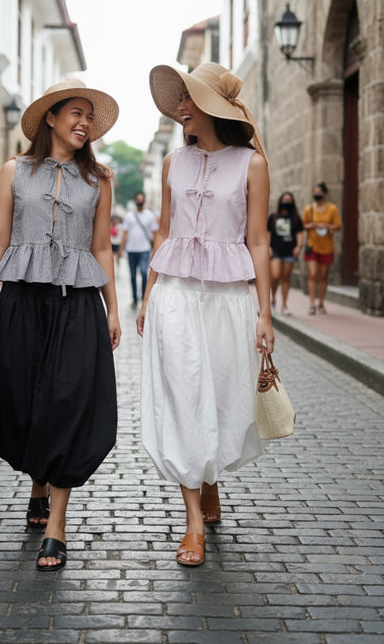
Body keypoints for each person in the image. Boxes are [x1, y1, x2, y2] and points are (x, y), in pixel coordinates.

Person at [0, 78, 121, 572]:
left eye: (89, 117)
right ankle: (36, 485)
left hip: (76, 304)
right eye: (75, 112)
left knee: (67, 399)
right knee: (22, 399)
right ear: (50, 118)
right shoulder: (15, 170)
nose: (84, 122)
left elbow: (100, 248)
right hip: (21, 302)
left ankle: (57, 523)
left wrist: (113, 307)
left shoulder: (100, 179)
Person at [136, 62, 274, 568]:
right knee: (184, 392)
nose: (180, 108)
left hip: (227, 296)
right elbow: (165, 232)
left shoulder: (251, 164)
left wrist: (265, 312)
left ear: (212, 106)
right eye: (179, 101)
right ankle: (193, 519)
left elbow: (257, 240)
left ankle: (208, 476)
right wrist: (149, 294)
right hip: (174, 290)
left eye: (188, 99)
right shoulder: (175, 161)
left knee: (219, 391)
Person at [303, 181, 342, 315]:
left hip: (327, 246)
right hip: (312, 245)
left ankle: (321, 302)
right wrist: (312, 225)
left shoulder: (332, 209)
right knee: (313, 274)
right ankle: (312, 304)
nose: (317, 194)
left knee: (323, 276)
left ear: (324, 193)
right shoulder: (309, 209)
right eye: (315, 192)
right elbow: (304, 225)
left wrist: (326, 226)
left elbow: (338, 226)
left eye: (319, 192)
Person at [119, 192, 158, 307]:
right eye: (138, 199)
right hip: (131, 250)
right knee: (132, 275)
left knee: (143, 272)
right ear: (135, 201)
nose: (139, 201)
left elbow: (155, 234)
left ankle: (144, 297)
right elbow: (125, 233)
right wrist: (121, 249)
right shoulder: (129, 216)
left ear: (144, 201)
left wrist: (155, 250)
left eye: (141, 199)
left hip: (144, 250)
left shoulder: (150, 215)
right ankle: (135, 298)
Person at [267, 191, 303, 315]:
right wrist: (268, 247)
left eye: (289, 200)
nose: (286, 202)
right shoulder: (273, 217)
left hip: (289, 250)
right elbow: (268, 233)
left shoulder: (295, 218)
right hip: (276, 249)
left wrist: (298, 246)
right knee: (276, 275)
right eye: (284, 200)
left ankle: (284, 304)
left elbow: (299, 233)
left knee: (286, 278)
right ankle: (272, 299)